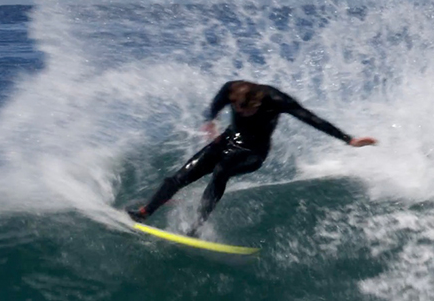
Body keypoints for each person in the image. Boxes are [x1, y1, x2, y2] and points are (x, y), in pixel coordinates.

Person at [128, 80, 376, 232]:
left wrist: (348, 139)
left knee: (221, 171)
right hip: (227, 140)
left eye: (249, 110)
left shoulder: (277, 100)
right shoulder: (232, 89)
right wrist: (210, 120)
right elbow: (215, 104)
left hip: (253, 152)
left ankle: (196, 227)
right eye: (238, 109)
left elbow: (312, 119)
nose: (243, 113)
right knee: (179, 177)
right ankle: (144, 212)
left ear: (258, 102)